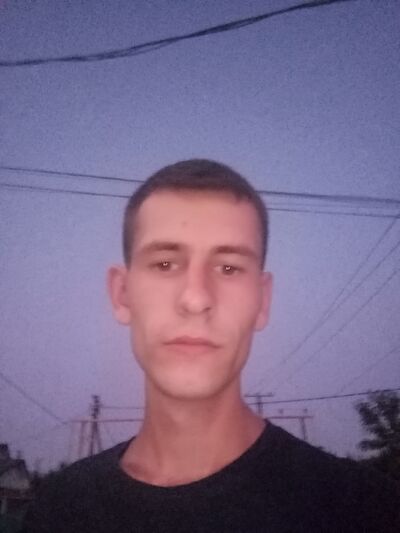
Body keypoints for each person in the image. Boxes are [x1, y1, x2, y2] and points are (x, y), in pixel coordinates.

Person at [23, 159, 399, 532]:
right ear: (122, 294)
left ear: (262, 301)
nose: (196, 298)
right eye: (165, 264)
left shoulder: (366, 512)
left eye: (228, 268)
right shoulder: (59, 511)